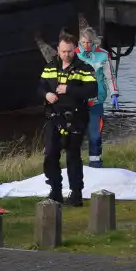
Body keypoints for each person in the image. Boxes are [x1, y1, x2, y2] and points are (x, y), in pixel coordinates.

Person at [39, 34, 98, 206]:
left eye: (70, 51)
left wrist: (69, 89)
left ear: (75, 50)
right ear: (58, 50)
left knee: (73, 155)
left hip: (76, 117)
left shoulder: (84, 68)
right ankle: (55, 191)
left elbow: (92, 90)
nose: (66, 54)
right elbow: (40, 86)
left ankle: (76, 193)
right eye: (63, 51)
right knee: (50, 154)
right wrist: (46, 94)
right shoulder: (50, 66)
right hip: (53, 117)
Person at [76, 28, 119, 168]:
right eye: (83, 42)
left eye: (89, 42)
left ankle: (96, 163)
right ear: (79, 42)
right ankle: (76, 165)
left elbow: (109, 76)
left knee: (95, 134)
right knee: (76, 135)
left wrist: (114, 93)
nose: (86, 45)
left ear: (93, 41)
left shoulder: (103, 55)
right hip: (78, 102)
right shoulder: (74, 54)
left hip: (96, 100)